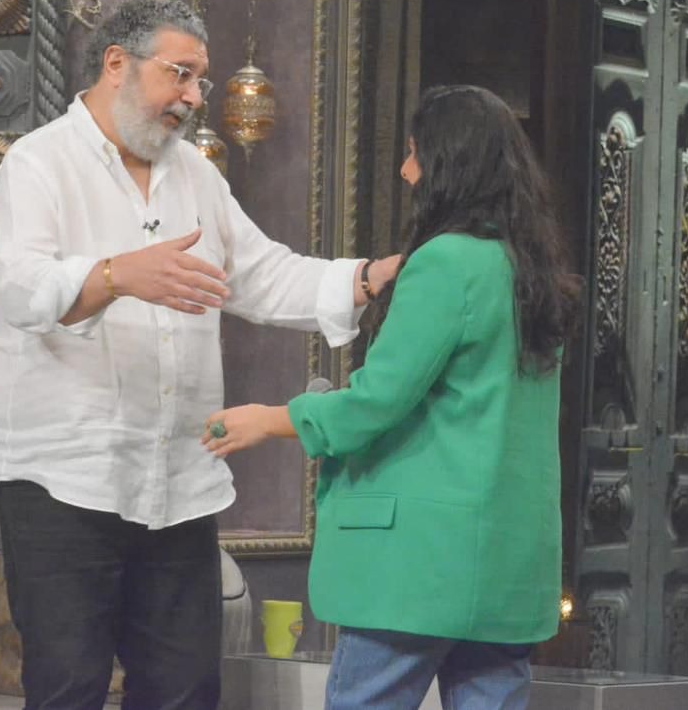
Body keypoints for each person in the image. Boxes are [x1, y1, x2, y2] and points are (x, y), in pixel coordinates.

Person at [0, 0, 399, 710]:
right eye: (180, 75)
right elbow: (22, 291)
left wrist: (364, 279)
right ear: (117, 64)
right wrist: (116, 275)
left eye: (200, 80)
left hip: (177, 480)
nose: (195, 98)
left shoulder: (196, 175)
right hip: (62, 480)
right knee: (68, 688)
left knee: (186, 691)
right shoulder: (38, 163)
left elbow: (260, 274)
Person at [203, 84, 581, 710]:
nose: (406, 172)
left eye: (413, 153)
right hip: (510, 561)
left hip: (423, 564)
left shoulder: (445, 262)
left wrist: (271, 419)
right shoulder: (529, 268)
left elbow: (376, 402)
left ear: (447, 162)